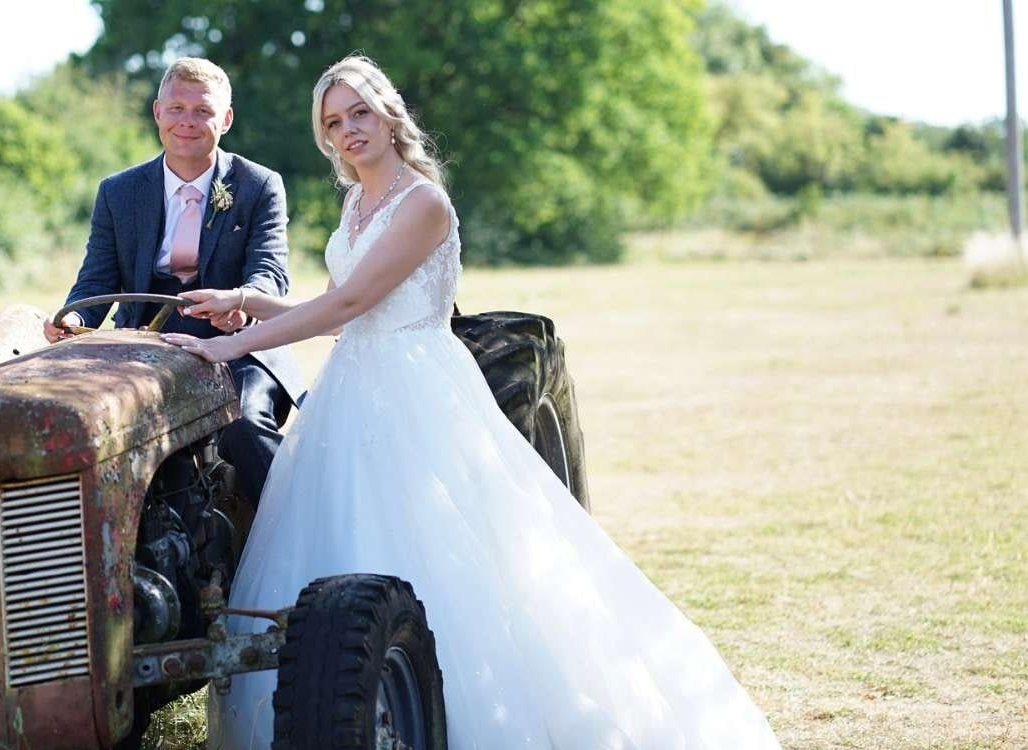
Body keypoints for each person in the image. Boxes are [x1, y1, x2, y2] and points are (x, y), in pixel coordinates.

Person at [162, 55, 783, 749]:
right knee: (339, 538)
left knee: (444, 553)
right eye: (333, 122)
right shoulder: (356, 202)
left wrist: (226, 348)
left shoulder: (421, 202)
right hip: (353, 389)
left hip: (416, 388)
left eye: (358, 113)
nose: (347, 131)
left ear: (388, 113)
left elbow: (354, 299)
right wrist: (245, 302)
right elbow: (345, 316)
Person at [47, 57, 302, 503]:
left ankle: (299, 527)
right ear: (157, 113)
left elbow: (270, 270)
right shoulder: (118, 191)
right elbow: (96, 278)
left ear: (225, 119)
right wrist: (72, 319)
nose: (188, 121)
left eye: (202, 111)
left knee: (240, 424)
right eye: (177, 108)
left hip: (238, 348)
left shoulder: (259, 185)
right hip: (143, 344)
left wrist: (243, 307)